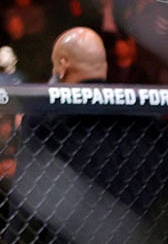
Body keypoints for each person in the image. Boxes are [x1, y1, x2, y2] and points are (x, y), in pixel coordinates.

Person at [11, 27, 168, 241]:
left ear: (63, 66)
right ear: (103, 65)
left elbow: (27, 200)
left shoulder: (45, 120)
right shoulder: (145, 116)